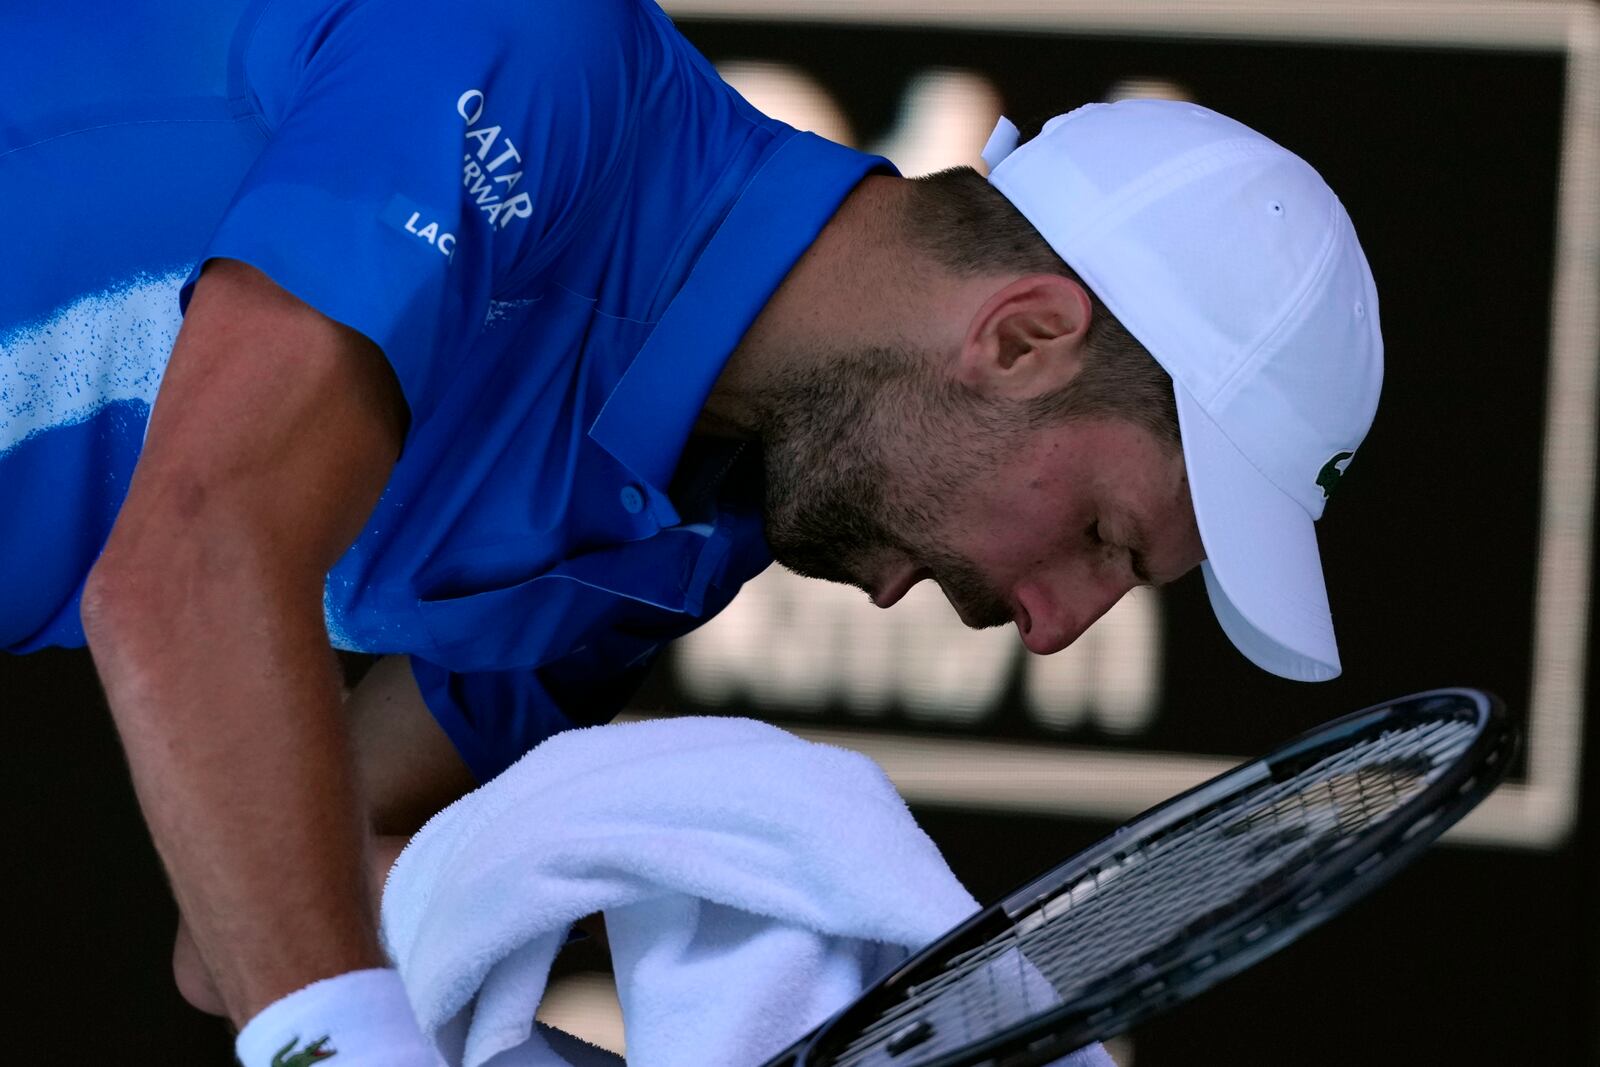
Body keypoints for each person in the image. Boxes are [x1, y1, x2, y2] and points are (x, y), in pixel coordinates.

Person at [1, 0, 1382, 1062]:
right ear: (1020, 338)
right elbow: (187, 565)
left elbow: (254, 926)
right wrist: (342, 1039)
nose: (1056, 623)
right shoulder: (539, 53)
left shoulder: (676, 549)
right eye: (1103, 536)